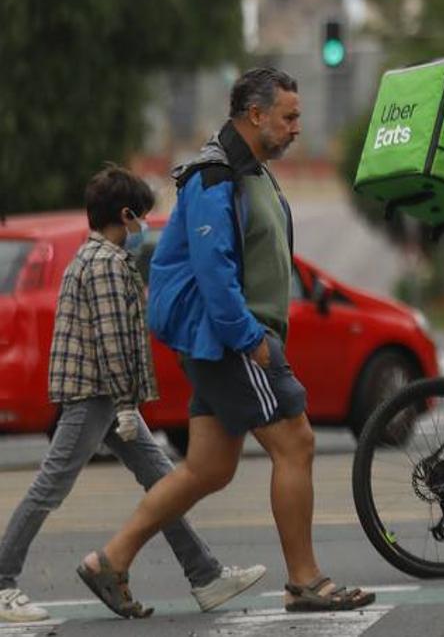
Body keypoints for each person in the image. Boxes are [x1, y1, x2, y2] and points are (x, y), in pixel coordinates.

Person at [77, 68, 374, 616]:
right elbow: (215, 270)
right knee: (297, 443)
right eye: (289, 117)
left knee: (209, 468)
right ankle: (305, 580)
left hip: (226, 340)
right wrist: (250, 338)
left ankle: (110, 561)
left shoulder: (251, 170)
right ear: (254, 115)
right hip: (230, 339)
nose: (296, 128)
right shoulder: (215, 175)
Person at [0, 167, 265, 623]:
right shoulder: (105, 265)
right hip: (96, 397)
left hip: (106, 397)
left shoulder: (99, 260)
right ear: (125, 216)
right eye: (141, 218)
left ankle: (203, 574)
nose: (144, 227)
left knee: (164, 483)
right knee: (51, 486)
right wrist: (125, 405)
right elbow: (110, 343)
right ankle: (2, 581)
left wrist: (124, 404)